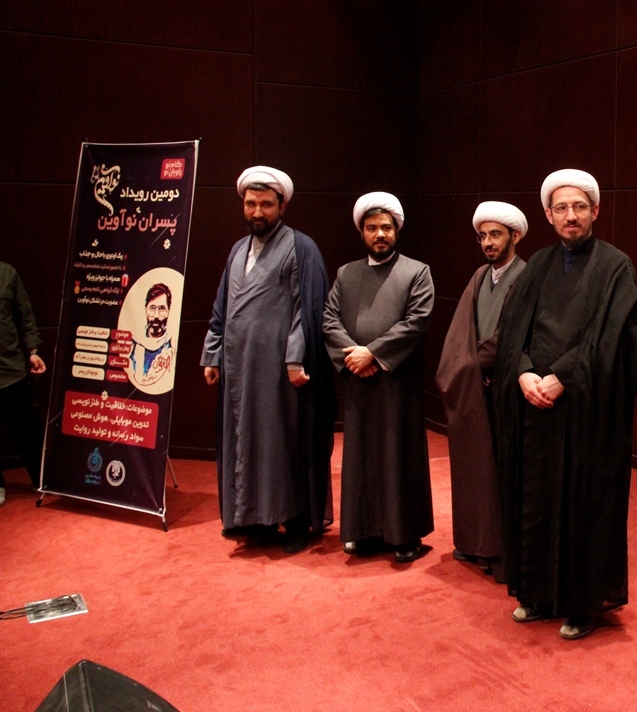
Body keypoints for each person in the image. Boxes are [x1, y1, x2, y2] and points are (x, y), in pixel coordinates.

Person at [494, 169, 637, 640]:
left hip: (586, 411)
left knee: (584, 506)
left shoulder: (616, 266)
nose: (571, 216)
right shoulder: (537, 264)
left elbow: (612, 340)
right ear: (548, 215)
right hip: (534, 406)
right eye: (561, 208)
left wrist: (562, 377)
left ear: (595, 210)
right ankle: (538, 593)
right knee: (537, 500)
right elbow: (511, 330)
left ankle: (583, 604)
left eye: (579, 206)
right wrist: (522, 372)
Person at [201, 166, 336, 554]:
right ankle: (254, 519)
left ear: (282, 206)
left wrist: (295, 360)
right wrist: (212, 354)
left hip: (279, 373)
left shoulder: (301, 248)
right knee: (244, 441)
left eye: (265, 204)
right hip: (238, 369)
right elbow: (221, 308)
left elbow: (307, 310)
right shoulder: (237, 251)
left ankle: (294, 520)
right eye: (250, 204)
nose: (257, 212)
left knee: (282, 443)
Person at [323, 192, 435, 564]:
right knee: (361, 457)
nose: (380, 234)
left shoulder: (416, 272)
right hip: (358, 379)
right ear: (362, 232)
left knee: (398, 454)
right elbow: (329, 319)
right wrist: (354, 356)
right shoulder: (346, 273)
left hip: (397, 381)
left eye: (386, 227)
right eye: (371, 228)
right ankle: (363, 531)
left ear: (396, 230)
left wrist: (373, 353)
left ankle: (405, 535)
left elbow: (416, 321)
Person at [435, 201, 528, 577]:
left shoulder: (526, 276)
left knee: (502, 474)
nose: (488, 242)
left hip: (506, 392)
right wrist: (466, 365)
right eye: (483, 236)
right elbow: (461, 331)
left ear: (515, 236)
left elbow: (514, 336)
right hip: (476, 390)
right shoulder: (478, 276)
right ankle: (474, 542)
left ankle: (501, 552)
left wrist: (471, 362)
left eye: (496, 235)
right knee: (474, 471)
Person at [0, 261, 47, 505]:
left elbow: (25, 315)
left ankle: (41, 479)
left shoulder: (8, 274)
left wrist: (33, 351)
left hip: (11, 367)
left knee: (28, 430)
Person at [129, 282, 174, 387]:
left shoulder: (172, 345)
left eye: (162, 309)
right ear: (146, 310)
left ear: (168, 311)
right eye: (152, 309)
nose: (156, 315)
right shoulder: (133, 345)